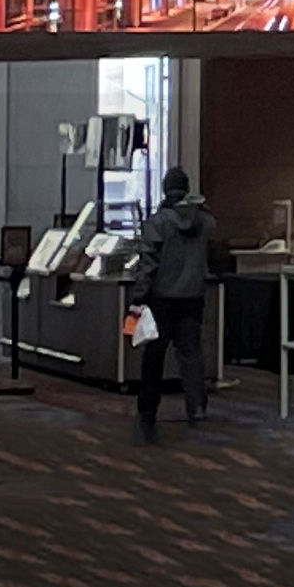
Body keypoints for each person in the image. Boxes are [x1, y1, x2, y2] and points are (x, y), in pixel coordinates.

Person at [123, 169, 227, 444]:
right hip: (193, 297)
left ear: (165, 188)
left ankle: (147, 413)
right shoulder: (205, 222)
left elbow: (148, 264)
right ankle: (197, 408)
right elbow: (216, 255)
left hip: (161, 299)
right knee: (191, 355)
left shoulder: (157, 223)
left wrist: (138, 298)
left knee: (153, 357)